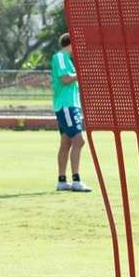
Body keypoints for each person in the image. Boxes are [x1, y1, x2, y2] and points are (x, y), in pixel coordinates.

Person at [51, 33, 92, 192]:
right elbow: (65, 79)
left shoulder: (67, 60)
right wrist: (82, 74)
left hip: (69, 106)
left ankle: (62, 181)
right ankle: (76, 181)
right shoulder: (60, 57)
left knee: (66, 142)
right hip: (67, 106)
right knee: (79, 141)